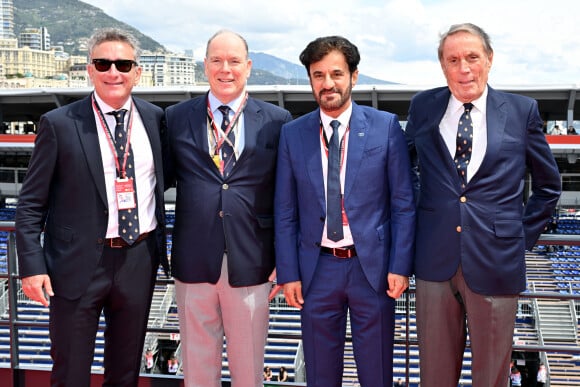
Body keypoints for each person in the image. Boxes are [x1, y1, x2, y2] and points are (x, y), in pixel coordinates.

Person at [404, 23, 561, 387]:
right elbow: (401, 167)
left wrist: (519, 239)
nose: (464, 68)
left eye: (472, 57)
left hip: (497, 260)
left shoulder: (522, 111)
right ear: (442, 66)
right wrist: (418, 211)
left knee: (491, 376)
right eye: (453, 59)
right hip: (433, 258)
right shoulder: (424, 106)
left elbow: (549, 185)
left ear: (489, 60)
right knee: (435, 375)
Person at [15, 27, 168, 386]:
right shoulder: (59, 124)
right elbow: (30, 204)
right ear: (89, 70)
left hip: (137, 258)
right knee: (70, 372)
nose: (113, 72)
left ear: (137, 71)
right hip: (76, 264)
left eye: (123, 63)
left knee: (126, 371)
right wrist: (31, 268)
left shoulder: (156, 119)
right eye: (103, 63)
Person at [274, 35, 415, 387]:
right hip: (316, 270)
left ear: (354, 76)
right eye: (318, 75)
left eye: (336, 73)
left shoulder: (385, 127)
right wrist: (288, 273)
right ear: (309, 80)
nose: (327, 83)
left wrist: (400, 265)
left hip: (374, 271)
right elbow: (285, 210)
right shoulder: (293, 134)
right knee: (320, 375)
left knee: (377, 372)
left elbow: (402, 203)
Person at [163, 29, 292, 387]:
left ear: (248, 67)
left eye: (234, 61)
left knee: (248, 369)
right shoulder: (175, 117)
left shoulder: (277, 121)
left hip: (252, 259)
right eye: (217, 60)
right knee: (197, 368)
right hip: (193, 258)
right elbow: (158, 180)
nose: (225, 69)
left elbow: (287, 196)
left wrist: (285, 256)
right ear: (204, 65)